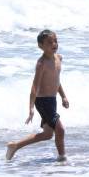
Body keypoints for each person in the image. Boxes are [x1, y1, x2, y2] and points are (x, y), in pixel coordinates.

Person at [6, 30, 69, 161]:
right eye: (49, 42)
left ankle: (15, 146)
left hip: (52, 100)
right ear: (41, 46)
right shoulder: (42, 63)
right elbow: (35, 86)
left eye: (55, 40)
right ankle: (62, 158)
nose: (54, 44)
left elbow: (56, 81)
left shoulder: (59, 58)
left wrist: (63, 96)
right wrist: (31, 108)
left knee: (47, 134)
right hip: (42, 101)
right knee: (60, 129)